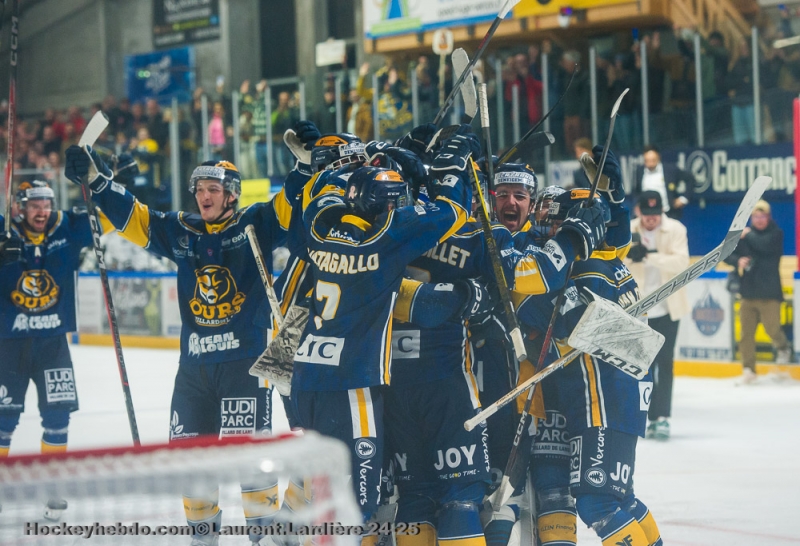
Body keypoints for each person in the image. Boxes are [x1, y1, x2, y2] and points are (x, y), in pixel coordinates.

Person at [64, 120, 321, 546]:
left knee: (249, 463)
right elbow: (134, 217)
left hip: (245, 366)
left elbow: (289, 204)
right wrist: (96, 180)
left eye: (213, 189)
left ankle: (266, 536)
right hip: (194, 372)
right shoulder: (181, 231)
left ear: (232, 194)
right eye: (199, 188)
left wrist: (304, 168)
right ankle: (204, 539)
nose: (203, 196)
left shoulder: (255, 223)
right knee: (191, 464)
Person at [0, 180, 107, 520]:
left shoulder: (68, 227)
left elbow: (103, 221)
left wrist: (100, 182)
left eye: (46, 203)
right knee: (3, 420)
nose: (42, 211)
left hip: (53, 346)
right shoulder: (3, 231)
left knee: (58, 417)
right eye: (34, 205)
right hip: (9, 346)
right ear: (18, 207)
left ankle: (52, 485)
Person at [625, 191, 690, 440]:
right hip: (637, 309)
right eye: (647, 214)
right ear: (639, 211)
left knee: (665, 363)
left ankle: (662, 416)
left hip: (667, 308)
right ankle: (645, 415)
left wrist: (649, 256)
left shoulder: (675, 229)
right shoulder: (628, 229)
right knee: (641, 365)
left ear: (661, 212)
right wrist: (631, 255)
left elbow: (681, 262)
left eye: (656, 215)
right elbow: (615, 262)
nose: (651, 220)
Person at [724, 200, 790, 383]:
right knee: (746, 334)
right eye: (756, 216)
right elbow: (727, 253)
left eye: (763, 216)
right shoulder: (746, 236)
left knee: (772, 329)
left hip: (769, 293)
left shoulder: (776, 234)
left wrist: (746, 235)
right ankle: (748, 368)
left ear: (768, 217)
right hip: (748, 292)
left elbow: (764, 245)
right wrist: (738, 261)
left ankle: (783, 347)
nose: (759, 220)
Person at [631, 145, 693, 221]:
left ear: (658, 158)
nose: (650, 163)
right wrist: (637, 205)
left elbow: (690, 179)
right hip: (646, 215)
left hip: (668, 213)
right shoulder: (639, 171)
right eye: (647, 160)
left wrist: (684, 198)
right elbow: (637, 190)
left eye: (653, 160)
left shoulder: (670, 169)